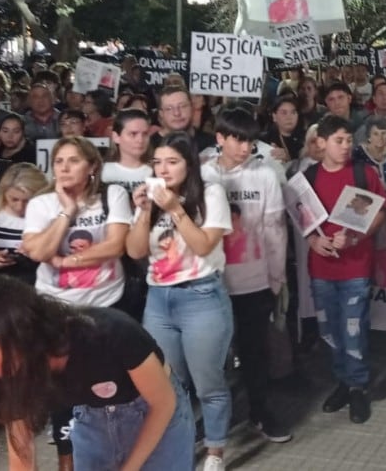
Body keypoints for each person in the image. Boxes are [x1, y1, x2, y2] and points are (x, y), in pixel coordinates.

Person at [0, 276, 194, 471]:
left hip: (152, 410)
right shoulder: (6, 373)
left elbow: (163, 403)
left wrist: (129, 468)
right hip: (93, 416)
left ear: (23, 335)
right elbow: (20, 452)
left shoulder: (108, 332)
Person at [22, 137, 132, 469]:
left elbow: (115, 246)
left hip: (105, 307)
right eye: (59, 162)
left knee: (107, 387)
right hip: (56, 310)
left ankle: (113, 455)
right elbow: (40, 253)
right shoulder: (41, 205)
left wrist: (67, 262)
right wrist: (66, 213)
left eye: (73, 161)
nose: (65, 168)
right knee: (63, 393)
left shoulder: (112, 196)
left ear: (92, 167)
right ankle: (66, 462)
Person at [126, 132, 234, 471]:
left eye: (172, 162)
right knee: (168, 385)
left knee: (208, 383)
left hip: (201, 295)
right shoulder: (152, 198)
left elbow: (203, 246)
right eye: (157, 162)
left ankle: (215, 451)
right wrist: (144, 212)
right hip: (158, 299)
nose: (163, 169)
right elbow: (135, 251)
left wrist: (175, 209)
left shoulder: (210, 194)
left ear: (189, 164)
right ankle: (180, 446)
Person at [201, 107, 290, 444]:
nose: (244, 147)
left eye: (250, 141)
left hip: (255, 281)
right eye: (237, 139)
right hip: (211, 282)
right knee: (211, 357)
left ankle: (260, 411)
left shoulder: (265, 174)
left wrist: (276, 279)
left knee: (256, 352)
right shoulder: (203, 173)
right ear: (220, 138)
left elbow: (274, 230)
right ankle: (212, 423)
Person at [304, 115, 386, 424]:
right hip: (321, 268)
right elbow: (301, 218)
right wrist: (313, 240)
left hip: (356, 268)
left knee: (353, 330)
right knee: (329, 332)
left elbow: (381, 211)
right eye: (339, 141)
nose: (345, 147)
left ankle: (358, 387)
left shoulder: (363, 173)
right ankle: (342, 380)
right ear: (321, 143)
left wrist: (355, 236)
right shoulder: (309, 177)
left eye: (349, 141)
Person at [0, 164, 48, 285]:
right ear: (4, 193)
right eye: (14, 199)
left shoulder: (49, 213)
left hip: (36, 283)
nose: (20, 207)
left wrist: (36, 253)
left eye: (28, 200)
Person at [151, 86, 216, 153]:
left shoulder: (211, 144)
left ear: (192, 107)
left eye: (182, 106)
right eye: (169, 108)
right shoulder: (149, 147)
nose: (177, 113)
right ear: (161, 113)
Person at [261, 94, 305, 174]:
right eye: (284, 113)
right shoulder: (263, 140)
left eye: (293, 112)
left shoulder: (305, 139)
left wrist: (289, 161)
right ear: (274, 116)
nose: (289, 117)